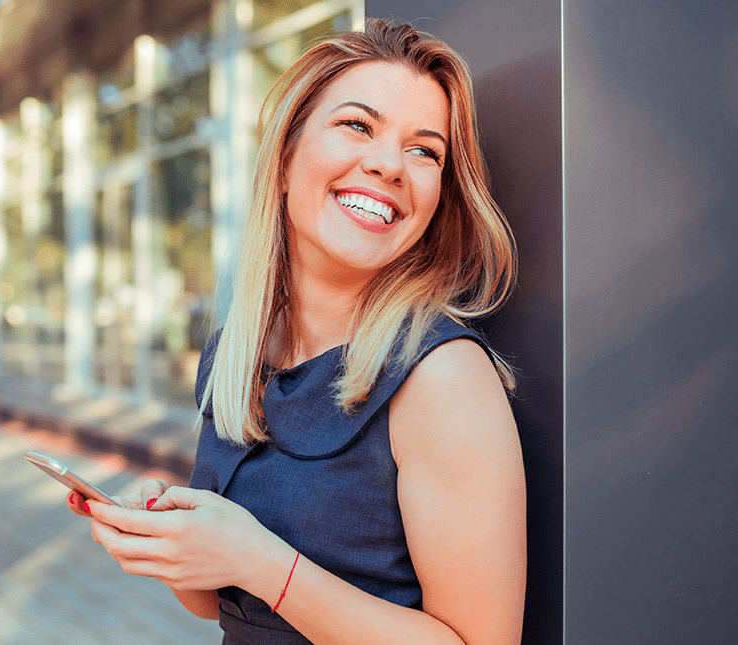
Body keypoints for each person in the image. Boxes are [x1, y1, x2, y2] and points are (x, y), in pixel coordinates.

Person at [67, 18, 526, 645]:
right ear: (284, 159)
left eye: (425, 151)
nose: (390, 165)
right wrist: (175, 541)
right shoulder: (237, 355)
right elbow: (221, 605)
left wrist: (258, 559)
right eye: (358, 126)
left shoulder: (442, 376)